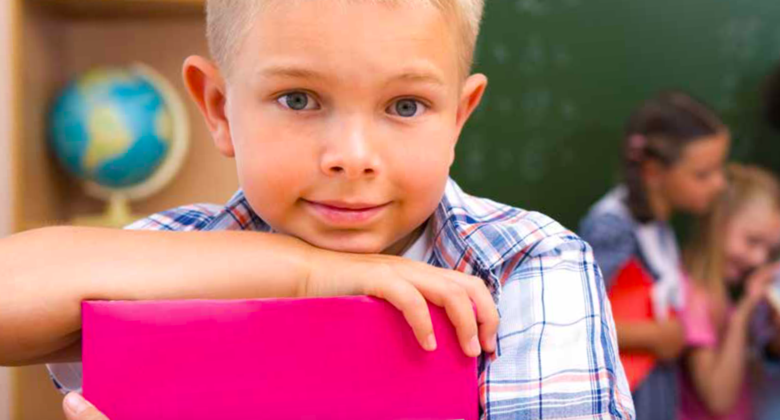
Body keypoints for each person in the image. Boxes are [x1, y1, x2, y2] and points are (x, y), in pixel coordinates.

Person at [0, 1, 634, 419]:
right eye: (299, 98)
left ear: (459, 118)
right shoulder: (186, 249)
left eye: (405, 106)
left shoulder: (523, 264)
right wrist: (306, 274)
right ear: (220, 108)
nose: (352, 157)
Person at [580, 91, 730, 420]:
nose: (719, 184)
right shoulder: (612, 230)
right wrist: (655, 336)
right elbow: (577, 320)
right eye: (703, 174)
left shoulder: (659, 225)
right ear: (652, 171)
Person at [681, 164, 780, 420]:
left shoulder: (717, 293)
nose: (759, 259)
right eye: (752, 241)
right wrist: (746, 309)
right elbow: (719, 399)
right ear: (718, 223)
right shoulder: (693, 297)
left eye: (769, 251)